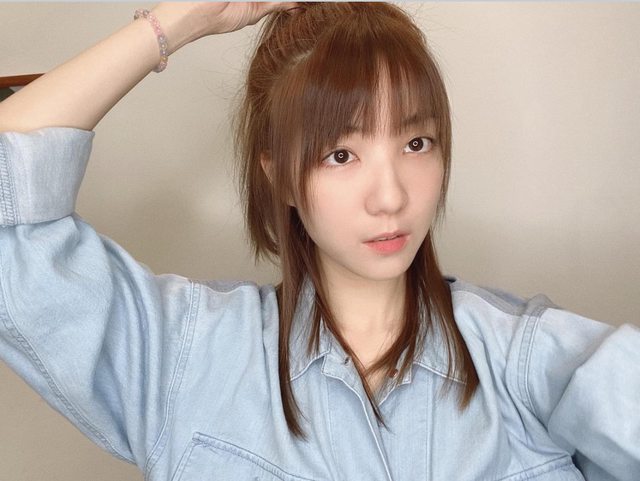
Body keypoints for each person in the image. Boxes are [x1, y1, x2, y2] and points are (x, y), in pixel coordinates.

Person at [0, 2, 638, 480]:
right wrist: (179, 22)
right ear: (278, 174)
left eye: (416, 143)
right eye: (341, 154)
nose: (390, 196)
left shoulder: (533, 362)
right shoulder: (186, 357)